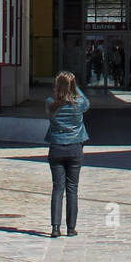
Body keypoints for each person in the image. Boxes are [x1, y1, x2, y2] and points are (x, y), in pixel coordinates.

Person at [45, 71, 90, 237]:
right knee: (72, 189)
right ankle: (71, 228)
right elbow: (87, 102)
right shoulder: (78, 103)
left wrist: (64, 87)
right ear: (72, 86)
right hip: (74, 148)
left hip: (56, 147)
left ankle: (55, 227)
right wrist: (74, 87)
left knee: (57, 188)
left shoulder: (50, 103)